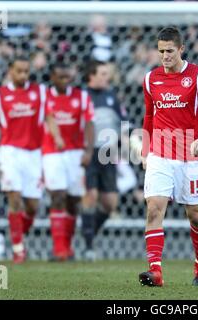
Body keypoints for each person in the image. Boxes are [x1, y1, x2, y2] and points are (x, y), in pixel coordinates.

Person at [139, 27, 198, 286]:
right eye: (161, 51)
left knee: (195, 214)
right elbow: (149, 117)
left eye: (170, 51)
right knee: (154, 209)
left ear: (181, 49)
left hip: (190, 157)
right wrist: (145, 151)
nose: (164, 56)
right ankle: (156, 271)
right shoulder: (151, 79)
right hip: (160, 154)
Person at [0, 56, 46, 264]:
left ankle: (17, 234)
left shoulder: (40, 92)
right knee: (14, 198)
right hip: (10, 153)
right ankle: (18, 250)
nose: (23, 75)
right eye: (19, 71)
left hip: (34, 155)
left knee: (32, 206)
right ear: (10, 71)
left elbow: (50, 116)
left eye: (26, 71)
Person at [42, 63, 95, 261]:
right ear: (52, 78)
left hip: (75, 153)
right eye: (60, 77)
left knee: (73, 200)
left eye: (67, 77)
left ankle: (68, 246)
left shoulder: (81, 97)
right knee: (57, 195)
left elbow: (90, 123)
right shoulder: (44, 97)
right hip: (52, 153)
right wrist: (55, 138)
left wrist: (88, 150)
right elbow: (47, 119)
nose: (65, 81)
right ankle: (59, 249)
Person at [82, 60, 126, 261]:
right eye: (102, 73)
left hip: (108, 153)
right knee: (90, 196)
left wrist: (128, 139)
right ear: (91, 75)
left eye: (107, 73)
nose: (106, 77)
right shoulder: (83, 96)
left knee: (110, 203)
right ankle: (88, 245)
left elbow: (124, 122)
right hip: (88, 153)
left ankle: (89, 231)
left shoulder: (111, 96)